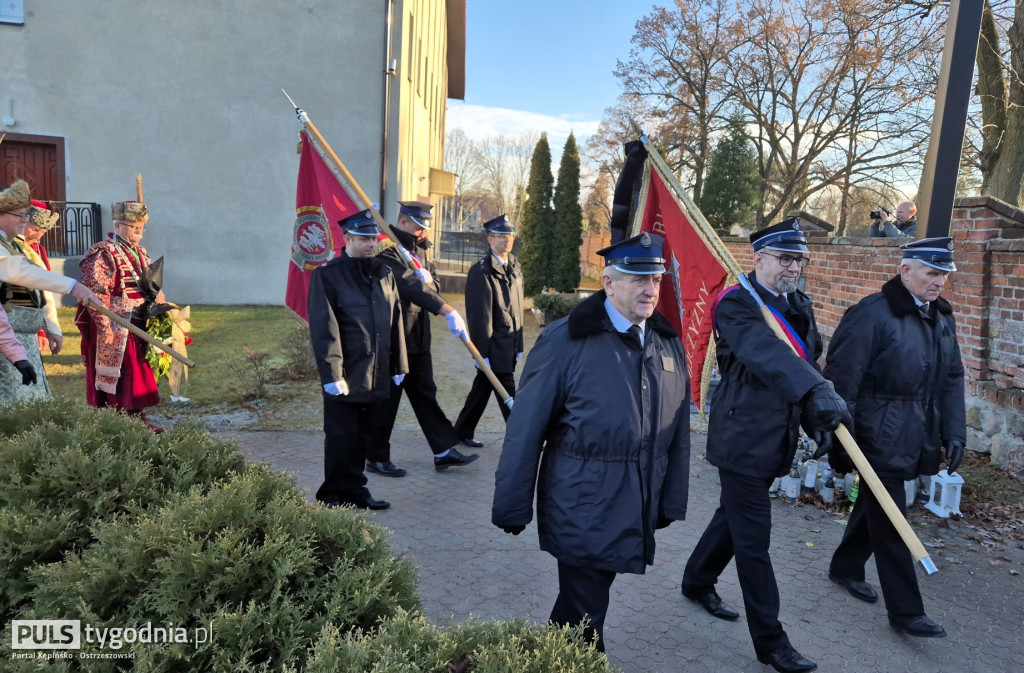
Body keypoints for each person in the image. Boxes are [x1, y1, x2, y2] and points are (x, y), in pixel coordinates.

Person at [492, 232, 691, 653]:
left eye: (655, 279)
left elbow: (676, 434)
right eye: (637, 279)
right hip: (583, 502)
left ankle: (550, 660)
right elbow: (526, 430)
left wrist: (670, 500)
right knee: (585, 612)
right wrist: (512, 503)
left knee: (581, 607)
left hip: (635, 502)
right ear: (608, 283)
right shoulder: (564, 342)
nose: (649, 289)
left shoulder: (666, 341)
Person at [679, 219, 850, 673]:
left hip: (776, 434)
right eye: (784, 258)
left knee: (731, 518)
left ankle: (697, 579)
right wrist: (814, 390)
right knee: (754, 541)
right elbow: (767, 356)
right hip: (742, 438)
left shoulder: (797, 303)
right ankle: (772, 644)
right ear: (758, 259)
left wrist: (816, 411)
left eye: (799, 259)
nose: (793, 267)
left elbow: (806, 358)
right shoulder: (736, 304)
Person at [822, 237, 965, 639]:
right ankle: (906, 610)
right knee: (891, 514)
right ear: (905, 271)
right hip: (873, 432)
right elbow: (841, 380)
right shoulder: (871, 314)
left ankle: (845, 567)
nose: (939, 282)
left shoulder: (941, 316)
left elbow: (953, 376)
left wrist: (955, 431)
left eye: (944, 275)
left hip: (917, 429)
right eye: (932, 273)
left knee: (877, 505)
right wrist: (839, 438)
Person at [368, 200, 478, 477]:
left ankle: (443, 450)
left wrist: (428, 279)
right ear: (403, 222)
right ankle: (375, 456)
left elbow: (434, 286)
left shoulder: (418, 251)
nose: (423, 232)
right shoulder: (387, 247)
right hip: (395, 336)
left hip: (418, 335)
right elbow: (407, 284)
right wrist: (445, 307)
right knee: (387, 399)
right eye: (418, 227)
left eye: (425, 227)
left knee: (425, 393)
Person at [307, 209, 407, 510]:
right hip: (347, 372)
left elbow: (396, 320)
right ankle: (333, 495)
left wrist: (399, 363)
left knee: (364, 437)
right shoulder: (328, 275)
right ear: (347, 239)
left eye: (373, 239)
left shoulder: (384, 273)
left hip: (376, 371)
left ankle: (356, 491)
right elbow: (325, 327)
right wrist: (332, 374)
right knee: (341, 437)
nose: (370, 244)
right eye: (363, 238)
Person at [75, 189, 165, 432]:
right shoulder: (103, 251)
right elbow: (96, 292)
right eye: (132, 227)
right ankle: (117, 418)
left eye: (141, 228)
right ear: (117, 224)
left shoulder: (142, 252)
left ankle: (136, 416)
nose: (137, 232)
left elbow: (150, 285)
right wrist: (106, 326)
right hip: (114, 322)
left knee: (138, 371)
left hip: (139, 322)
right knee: (121, 373)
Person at [453, 214, 523, 443]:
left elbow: (519, 309)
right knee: (508, 392)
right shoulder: (482, 271)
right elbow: (478, 316)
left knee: (481, 390)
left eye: (509, 235)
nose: (507, 240)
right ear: (490, 239)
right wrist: (481, 354)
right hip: (494, 347)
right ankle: (521, 437)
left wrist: (519, 343)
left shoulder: (515, 267)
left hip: (509, 343)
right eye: (501, 236)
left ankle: (461, 432)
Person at [22, 200, 63, 355]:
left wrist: (46, 329)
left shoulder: (38, 251)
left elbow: (43, 291)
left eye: (43, 232)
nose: (38, 235)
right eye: (35, 229)